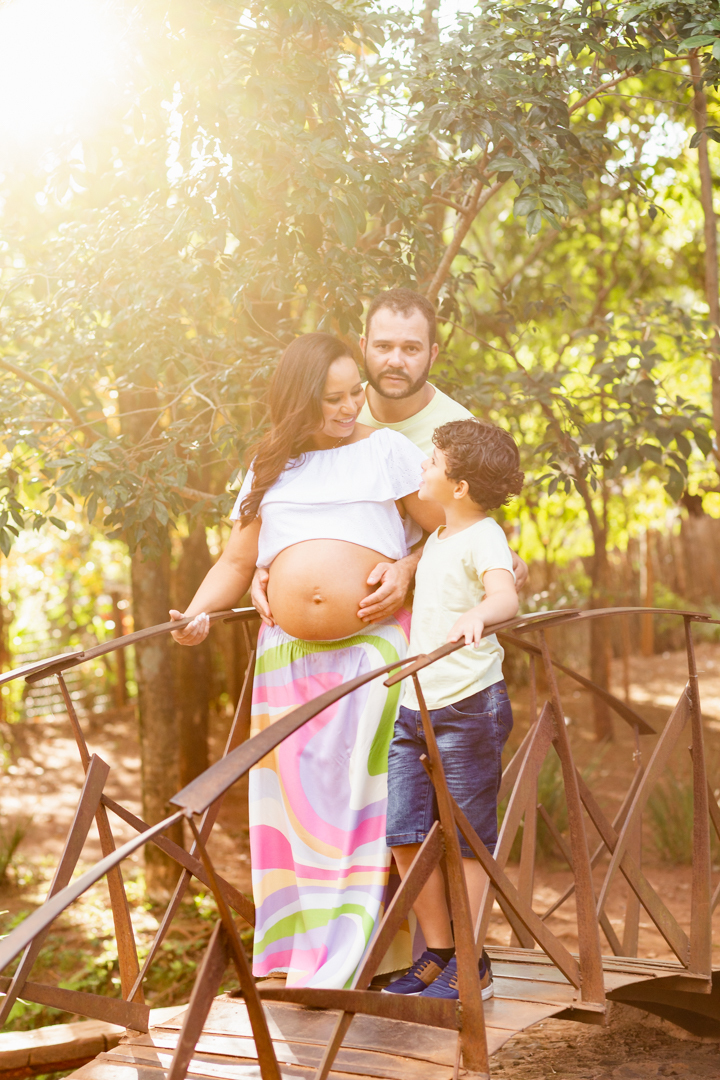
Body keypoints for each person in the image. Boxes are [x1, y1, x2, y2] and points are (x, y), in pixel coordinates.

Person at [170, 332, 441, 989]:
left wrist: (407, 567)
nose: (351, 407)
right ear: (297, 401)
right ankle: (297, 956)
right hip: (286, 664)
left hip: (370, 656)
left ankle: (359, 957)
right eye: (333, 399)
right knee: (292, 809)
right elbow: (238, 560)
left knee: (366, 802)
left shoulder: (387, 452)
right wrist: (201, 611)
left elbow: (448, 528)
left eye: (355, 393)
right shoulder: (271, 465)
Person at [251, 287, 528, 628]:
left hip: (423, 626)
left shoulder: (460, 436)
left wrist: (407, 568)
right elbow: (286, 503)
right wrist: (267, 567)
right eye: (383, 347)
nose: (395, 360)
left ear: (432, 354)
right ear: (364, 346)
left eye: (411, 348)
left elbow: (468, 533)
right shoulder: (329, 410)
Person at [383, 419, 523, 1001]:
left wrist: (480, 616)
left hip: (468, 707)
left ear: (459, 485)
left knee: (466, 840)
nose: (423, 469)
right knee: (405, 831)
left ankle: (473, 965)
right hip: (417, 705)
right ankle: (439, 953)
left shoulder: (485, 535)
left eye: (432, 462)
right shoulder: (439, 537)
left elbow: (506, 594)